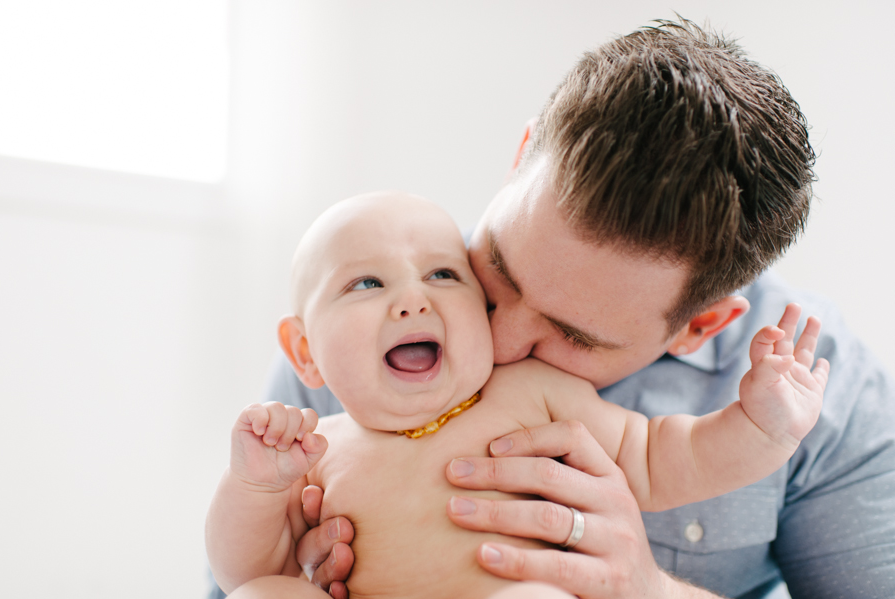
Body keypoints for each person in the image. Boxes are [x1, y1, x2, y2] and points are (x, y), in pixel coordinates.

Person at [210, 18, 895, 599]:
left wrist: (651, 589)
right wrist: (288, 559)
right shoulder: (370, 313)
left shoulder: (819, 388)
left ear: (698, 327)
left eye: (572, 334)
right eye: (496, 269)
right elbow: (229, 575)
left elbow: (674, 456)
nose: (497, 339)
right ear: (521, 158)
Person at [206, 191, 827, 599]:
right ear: (306, 352)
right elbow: (245, 569)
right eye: (367, 282)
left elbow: (669, 456)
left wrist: (761, 427)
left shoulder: (536, 394)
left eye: (442, 275)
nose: (413, 298)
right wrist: (256, 487)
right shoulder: (317, 447)